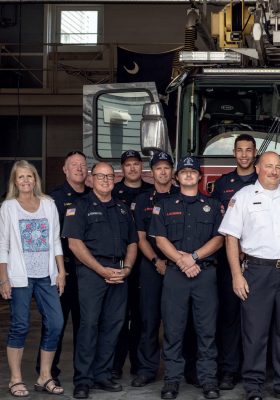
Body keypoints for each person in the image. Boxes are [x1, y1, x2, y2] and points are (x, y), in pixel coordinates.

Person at [219, 151, 280, 400]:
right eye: (268, 166)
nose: (274, 171)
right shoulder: (242, 198)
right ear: (258, 169)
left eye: (277, 167)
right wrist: (236, 276)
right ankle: (254, 387)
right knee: (255, 333)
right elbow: (231, 238)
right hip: (256, 272)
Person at [149, 156, 224, 400]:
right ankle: (172, 380)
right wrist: (182, 261)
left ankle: (208, 379)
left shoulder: (212, 206)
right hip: (175, 276)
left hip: (205, 274)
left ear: (199, 177)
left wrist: (193, 257)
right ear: (177, 177)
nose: (189, 175)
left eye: (193, 171)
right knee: (173, 329)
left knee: (207, 330)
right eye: (184, 172)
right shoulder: (163, 204)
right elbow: (160, 239)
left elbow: (219, 238)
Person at [63, 162, 138, 399]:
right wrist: (100, 270)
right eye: (100, 176)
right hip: (91, 273)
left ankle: (102, 375)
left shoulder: (123, 209)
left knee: (113, 325)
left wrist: (126, 269)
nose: (105, 180)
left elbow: (133, 243)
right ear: (90, 179)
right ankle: (83, 379)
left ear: (115, 180)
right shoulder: (80, 207)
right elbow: (75, 244)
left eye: (109, 176)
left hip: (118, 272)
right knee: (89, 325)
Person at [0, 160, 66, 397]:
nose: (26, 181)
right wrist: (3, 279)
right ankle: (15, 379)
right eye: (21, 177)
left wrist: (61, 272)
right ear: (15, 182)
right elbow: (2, 245)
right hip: (20, 277)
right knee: (20, 325)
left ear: (35, 179)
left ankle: (44, 376)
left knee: (56, 323)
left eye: (30, 176)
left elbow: (56, 240)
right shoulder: (8, 207)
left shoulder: (48, 204)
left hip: (46, 275)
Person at [35, 150, 90, 385]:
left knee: (85, 325)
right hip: (62, 272)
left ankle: (83, 375)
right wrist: (55, 271)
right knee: (55, 323)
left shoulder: (93, 196)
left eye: (82, 165)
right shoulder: (53, 199)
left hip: (88, 271)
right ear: (65, 170)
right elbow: (47, 238)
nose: (79, 168)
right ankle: (47, 373)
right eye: (74, 165)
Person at [130, 151, 179, 387]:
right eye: (158, 168)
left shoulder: (182, 195)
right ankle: (147, 369)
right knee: (148, 320)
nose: (162, 172)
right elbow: (140, 238)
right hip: (151, 266)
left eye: (167, 168)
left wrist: (173, 261)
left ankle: (179, 369)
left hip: (178, 266)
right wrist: (156, 262)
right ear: (152, 172)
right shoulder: (142, 200)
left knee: (178, 321)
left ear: (172, 172)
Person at [212, 133, 258, 390]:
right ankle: (229, 370)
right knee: (229, 315)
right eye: (239, 150)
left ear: (254, 153)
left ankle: (255, 368)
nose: (243, 155)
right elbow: (221, 225)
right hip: (229, 260)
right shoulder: (222, 184)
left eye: (248, 150)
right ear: (234, 153)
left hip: (257, 259)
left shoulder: (263, 180)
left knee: (257, 319)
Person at [112, 149, 153, 380]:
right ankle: (115, 365)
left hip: (143, 265)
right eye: (128, 164)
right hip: (120, 262)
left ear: (141, 167)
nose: (133, 168)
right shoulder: (114, 192)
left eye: (136, 164)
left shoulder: (150, 191)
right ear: (122, 168)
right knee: (118, 317)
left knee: (140, 318)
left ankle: (139, 365)